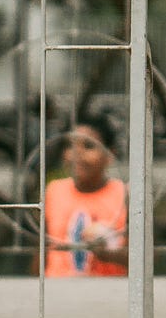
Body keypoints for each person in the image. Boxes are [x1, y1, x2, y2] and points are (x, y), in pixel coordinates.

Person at [43, 119, 128, 277]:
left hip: (107, 292)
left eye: (88, 146)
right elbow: (42, 250)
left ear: (110, 155)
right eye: (70, 145)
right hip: (57, 290)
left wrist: (109, 253)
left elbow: (147, 256)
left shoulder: (124, 194)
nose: (77, 153)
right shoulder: (54, 191)